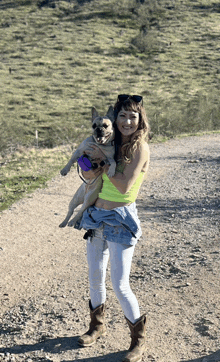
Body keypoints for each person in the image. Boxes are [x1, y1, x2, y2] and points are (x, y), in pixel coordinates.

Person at [76, 94, 150, 362]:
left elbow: (124, 186)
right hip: (96, 216)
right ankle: (97, 327)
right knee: (95, 277)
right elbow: (87, 175)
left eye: (133, 116)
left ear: (140, 119)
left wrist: (104, 165)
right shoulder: (110, 141)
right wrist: (87, 162)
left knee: (120, 284)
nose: (127, 121)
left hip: (121, 219)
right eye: (122, 116)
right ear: (114, 119)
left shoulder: (140, 148)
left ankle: (137, 341)